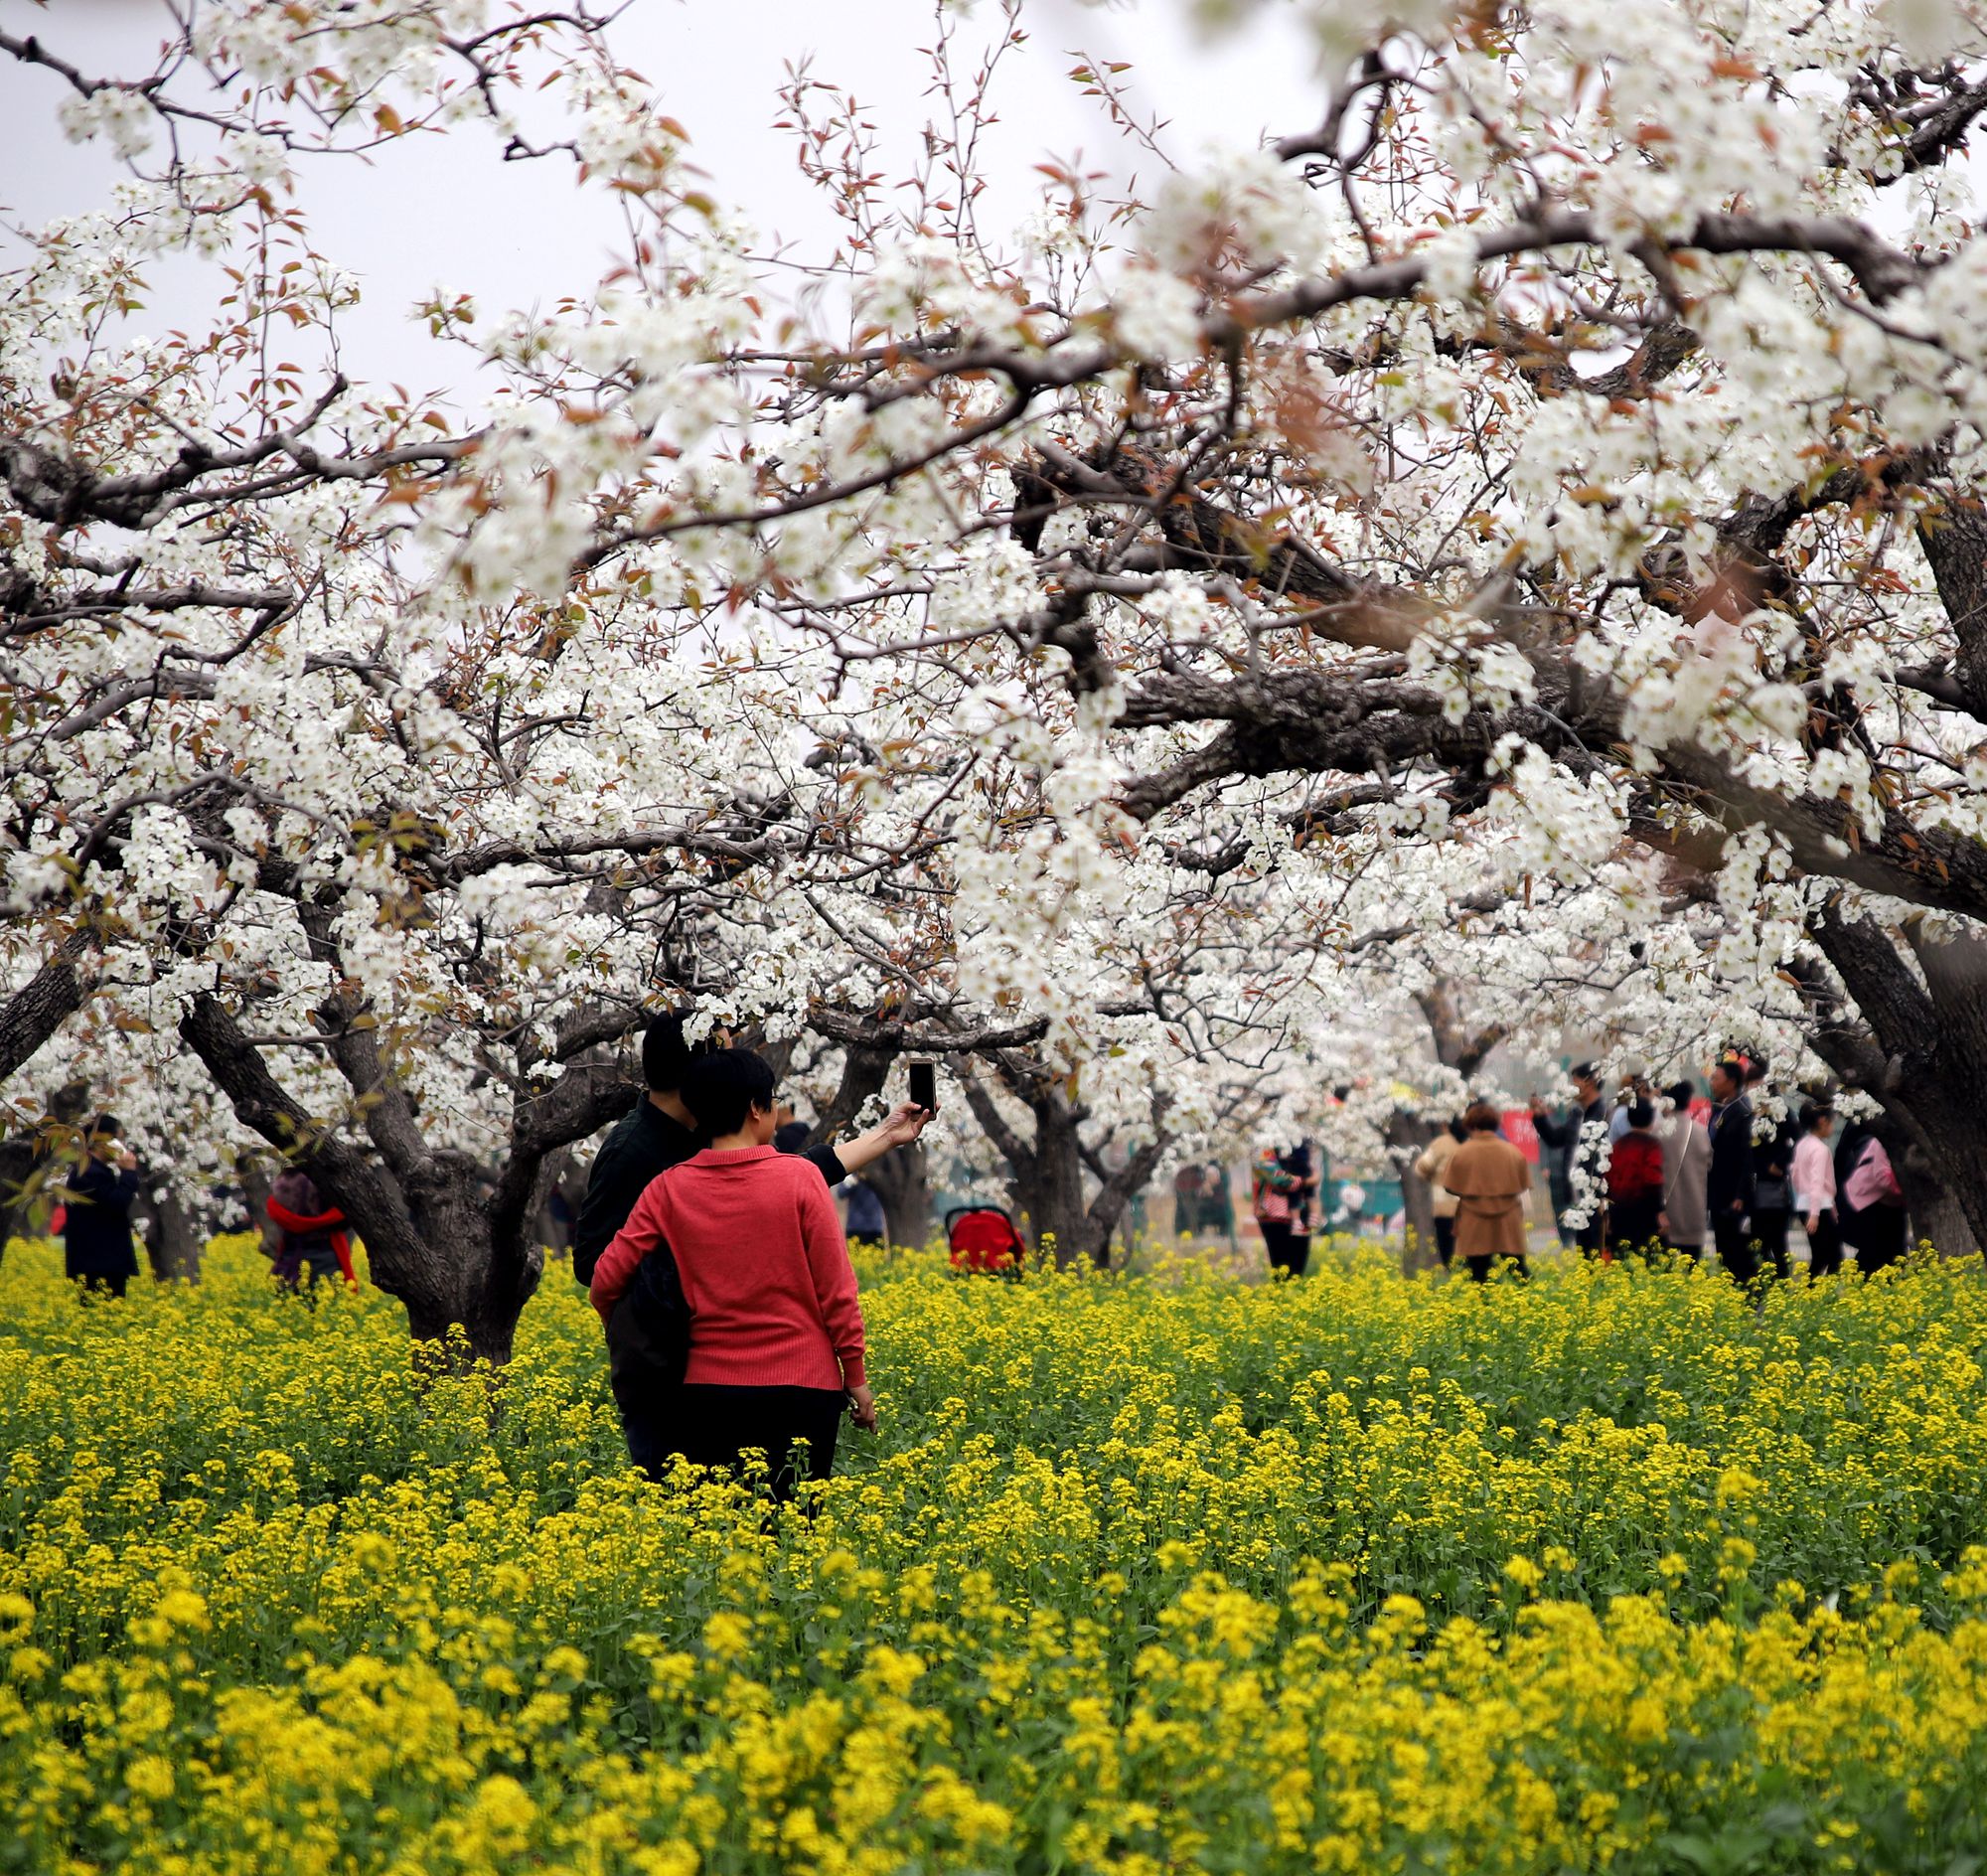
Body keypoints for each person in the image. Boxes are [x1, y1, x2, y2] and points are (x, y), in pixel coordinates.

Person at [591, 1048, 874, 1498]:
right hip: (803, 1390)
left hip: (707, 1391)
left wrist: (621, 1327)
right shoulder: (801, 1178)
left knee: (722, 1540)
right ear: (755, 1108)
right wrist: (855, 1377)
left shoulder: (668, 1186)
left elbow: (605, 1278)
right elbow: (837, 1292)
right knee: (792, 1538)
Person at [572, 1011, 929, 1285]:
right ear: (697, 1069)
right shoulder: (632, 1149)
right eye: (725, 1055)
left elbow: (793, 1174)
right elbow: (593, 1264)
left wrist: (887, 1134)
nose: (734, 1063)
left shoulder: (700, 1129)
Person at [1441, 1103, 1532, 1282]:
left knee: (1478, 1273)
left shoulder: (1462, 1153)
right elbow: (1523, 1184)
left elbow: (1449, 1186)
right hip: (1508, 1220)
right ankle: (1531, 1304)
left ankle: (1484, 1306)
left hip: (1473, 1220)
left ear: (1470, 1125)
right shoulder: (1513, 1152)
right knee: (1518, 1269)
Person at [59, 1115, 140, 1300]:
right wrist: (128, 1173)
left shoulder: (94, 1170)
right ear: (102, 1140)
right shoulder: (89, 1173)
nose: (122, 1146)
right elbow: (117, 1202)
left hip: (101, 1263)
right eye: (118, 1139)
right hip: (98, 1265)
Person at [1533, 1062, 1608, 1256]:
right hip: (1576, 1195)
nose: (1571, 1087)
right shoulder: (1576, 1114)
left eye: (1575, 1082)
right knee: (1584, 1253)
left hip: (1595, 1198)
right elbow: (1555, 1139)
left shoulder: (1604, 1113)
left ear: (1590, 1082)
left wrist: (1602, 1196)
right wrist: (1540, 1117)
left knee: (1597, 1251)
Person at [1705, 1057, 1758, 1285]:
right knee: (1723, 1246)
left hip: (1732, 1194)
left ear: (1732, 1082)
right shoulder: (1724, 1109)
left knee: (1736, 1247)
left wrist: (1740, 1195)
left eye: (1716, 1078)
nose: (1712, 1083)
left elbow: (1747, 1157)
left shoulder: (1743, 1112)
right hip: (1719, 1191)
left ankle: (1748, 1290)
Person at [1745, 1061, 1796, 1281]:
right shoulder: (1750, 1112)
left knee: (1777, 1240)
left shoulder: (1781, 1112)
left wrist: (1780, 1164)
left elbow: (1798, 1142)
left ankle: (1782, 1281)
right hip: (1754, 1186)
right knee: (1758, 1241)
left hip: (1773, 1187)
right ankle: (1764, 1281)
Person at [263, 1169, 356, 1289]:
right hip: (327, 1256)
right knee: (331, 1299)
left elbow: (274, 1212)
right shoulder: (328, 1180)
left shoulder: (282, 1182)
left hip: (291, 1255)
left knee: (290, 1301)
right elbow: (343, 1219)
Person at [1656, 1079, 1711, 1262]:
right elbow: (1709, 1165)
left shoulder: (1658, 1132)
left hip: (1665, 1214)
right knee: (1692, 1267)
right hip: (1694, 1212)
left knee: (1663, 1273)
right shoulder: (1701, 1131)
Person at [1842, 1131, 1909, 1274]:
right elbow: (1882, 1178)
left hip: (1892, 1204)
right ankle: (1861, 1285)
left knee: (1894, 1252)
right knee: (1873, 1250)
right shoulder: (1881, 1143)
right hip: (1871, 1202)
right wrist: (1908, 1192)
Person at [1605, 1101, 1665, 1257]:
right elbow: (1654, 1181)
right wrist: (1660, 1211)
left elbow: (1607, 1181)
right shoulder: (1652, 1146)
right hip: (1645, 1215)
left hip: (1618, 1214)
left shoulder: (1617, 1146)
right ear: (1652, 1121)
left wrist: (1608, 1215)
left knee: (1623, 1261)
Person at [1791, 1101, 1842, 1278]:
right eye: (1831, 1121)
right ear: (1822, 1121)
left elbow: (1795, 1176)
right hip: (1819, 1207)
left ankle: (1815, 1295)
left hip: (1805, 1204)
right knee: (1833, 1257)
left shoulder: (1801, 1145)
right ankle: (1820, 1297)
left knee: (1821, 1256)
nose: (1832, 1126)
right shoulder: (1821, 1149)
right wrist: (1815, 1214)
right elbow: (1817, 1182)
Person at [1412, 1118, 1464, 1268]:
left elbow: (1421, 1168)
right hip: (1470, 1208)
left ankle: (1450, 1280)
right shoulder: (1471, 1143)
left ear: (1445, 1125)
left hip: (1444, 1207)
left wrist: (1433, 1178)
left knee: (1446, 1251)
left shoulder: (1442, 1143)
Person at [1252, 1147, 1306, 1279]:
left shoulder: (1297, 1148)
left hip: (1297, 1215)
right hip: (1272, 1216)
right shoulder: (1263, 1152)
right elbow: (1279, 1179)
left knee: (1296, 1267)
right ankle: (1281, 1295)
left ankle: (1292, 1295)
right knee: (1280, 1263)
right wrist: (1303, 1180)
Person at [841, 1175, 886, 1251]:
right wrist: (855, 1180)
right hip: (855, 1228)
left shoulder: (878, 1173)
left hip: (875, 1228)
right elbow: (841, 1193)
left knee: (877, 1259)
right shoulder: (851, 1175)